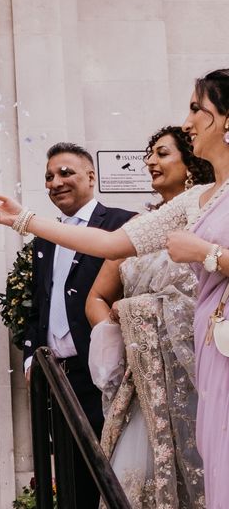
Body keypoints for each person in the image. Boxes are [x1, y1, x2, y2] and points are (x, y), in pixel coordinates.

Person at [0, 69, 229, 509]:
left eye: (195, 109)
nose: (187, 123)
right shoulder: (196, 199)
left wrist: (205, 254)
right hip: (210, 350)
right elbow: (110, 243)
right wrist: (23, 219)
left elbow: (203, 255)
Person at [85, 126, 213, 508]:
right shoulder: (142, 227)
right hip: (142, 378)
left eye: (162, 153)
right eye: (149, 155)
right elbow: (97, 297)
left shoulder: (208, 218)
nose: (150, 162)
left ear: (191, 162)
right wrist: (121, 332)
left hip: (196, 373)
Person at [16, 142, 134, 504]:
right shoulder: (45, 238)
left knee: (112, 469)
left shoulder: (121, 224)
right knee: (71, 475)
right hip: (58, 376)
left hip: (104, 371)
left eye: (66, 173)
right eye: (49, 177)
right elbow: (38, 305)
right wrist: (31, 356)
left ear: (91, 176)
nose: (56, 182)